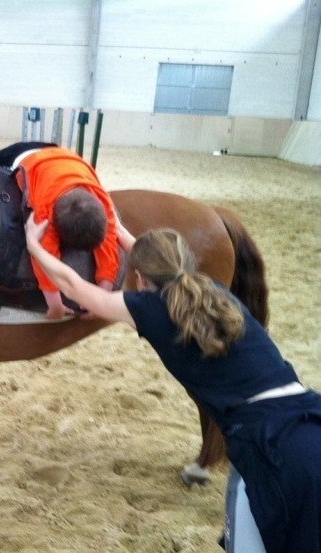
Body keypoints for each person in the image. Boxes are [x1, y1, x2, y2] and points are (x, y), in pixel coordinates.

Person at [25, 216, 321, 553]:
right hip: (311, 419)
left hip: (268, 448)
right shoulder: (215, 291)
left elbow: (75, 286)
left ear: (139, 277)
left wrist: (35, 245)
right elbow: (162, 263)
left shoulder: (149, 308)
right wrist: (117, 229)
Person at [16, 146, 118, 319]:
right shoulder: (45, 213)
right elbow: (44, 257)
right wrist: (55, 305)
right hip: (30, 161)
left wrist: (103, 297)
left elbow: (109, 245)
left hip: (70, 159)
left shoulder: (103, 201)